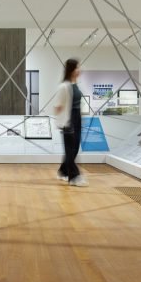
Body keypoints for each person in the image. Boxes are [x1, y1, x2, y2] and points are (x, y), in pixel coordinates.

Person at [54, 58, 87, 187]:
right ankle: (74, 176)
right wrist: (61, 120)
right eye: (77, 67)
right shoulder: (64, 86)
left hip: (77, 118)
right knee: (70, 149)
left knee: (74, 148)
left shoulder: (76, 85)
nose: (79, 70)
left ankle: (63, 171)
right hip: (69, 119)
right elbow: (58, 106)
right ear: (72, 70)